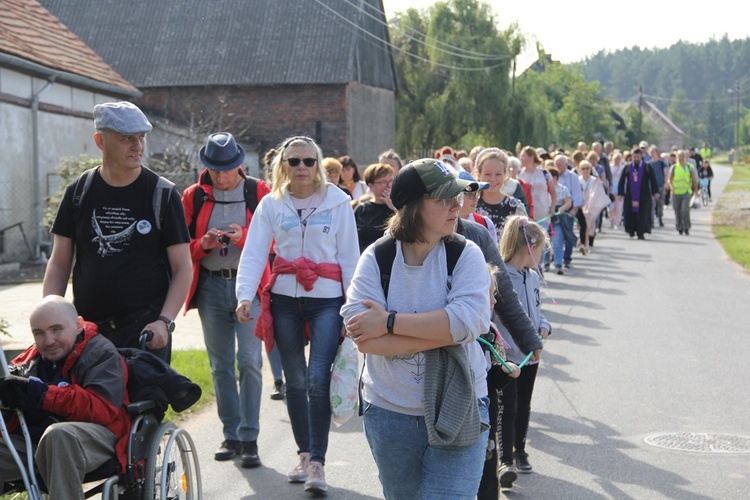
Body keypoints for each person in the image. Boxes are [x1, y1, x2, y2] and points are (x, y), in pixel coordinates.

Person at [341, 158, 491, 500]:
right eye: (443, 199)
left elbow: (468, 323)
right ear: (410, 207)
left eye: (456, 196)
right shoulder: (376, 258)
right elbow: (363, 339)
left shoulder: (466, 254)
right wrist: (440, 332)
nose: (456, 205)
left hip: (460, 406)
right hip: (390, 414)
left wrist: (389, 322)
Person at [235, 136, 359, 494]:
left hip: (327, 299)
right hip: (285, 298)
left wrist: (352, 305)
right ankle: (303, 455)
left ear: (318, 163)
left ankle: (318, 463)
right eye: (294, 162)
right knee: (295, 381)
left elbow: (351, 257)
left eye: (308, 161)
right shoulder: (271, 204)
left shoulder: (338, 202)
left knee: (319, 379)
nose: (302, 168)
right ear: (282, 166)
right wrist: (245, 296)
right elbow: (255, 253)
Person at [43, 101, 192, 363]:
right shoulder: (78, 192)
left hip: (145, 332)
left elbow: (183, 268)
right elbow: (59, 262)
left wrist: (164, 322)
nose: (138, 146)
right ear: (100, 141)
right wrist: (50, 318)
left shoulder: (162, 194)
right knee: (87, 404)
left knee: (143, 405)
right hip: (88, 333)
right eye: (127, 139)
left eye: (141, 137)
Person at [181, 132, 270, 467]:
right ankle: (230, 434)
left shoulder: (258, 191)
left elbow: (276, 238)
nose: (221, 176)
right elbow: (177, 248)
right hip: (210, 286)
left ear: (240, 164)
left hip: (249, 289)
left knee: (249, 361)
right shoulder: (193, 196)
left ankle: (249, 438)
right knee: (220, 366)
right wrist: (202, 245)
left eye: (228, 169)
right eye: (215, 169)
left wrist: (244, 237)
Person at [0, 296, 131, 500]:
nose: (49, 340)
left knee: (58, 435)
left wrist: (42, 394)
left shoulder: (101, 353)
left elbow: (102, 409)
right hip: (37, 443)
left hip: (98, 437)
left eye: (56, 329)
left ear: (79, 325)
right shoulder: (26, 363)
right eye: (39, 333)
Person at [495, 216, 551, 489]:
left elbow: (538, 311)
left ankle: (520, 448)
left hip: (530, 357)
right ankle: (504, 460)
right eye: (538, 252)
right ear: (527, 248)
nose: (539, 258)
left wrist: (543, 326)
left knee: (524, 404)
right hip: (507, 356)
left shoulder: (533, 277)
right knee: (508, 406)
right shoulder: (501, 276)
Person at [475, 148, 527, 242]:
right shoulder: (470, 205)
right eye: (487, 174)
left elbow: (524, 243)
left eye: (498, 174)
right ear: (479, 175)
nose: (493, 179)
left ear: (505, 175)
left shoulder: (515, 208)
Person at [618, 148, 660, 240]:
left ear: (641, 157)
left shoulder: (647, 167)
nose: (636, 159)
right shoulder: (628, 167)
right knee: (630, 213)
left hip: (643, 194)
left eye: (638, 157)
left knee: (643, 214)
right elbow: (621, 181)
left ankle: (641, 232)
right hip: (630, 194)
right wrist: (620, 193)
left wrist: (655, 192)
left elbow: (653, 180)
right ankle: (631, 230)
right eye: (634, 157)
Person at [354, 163, 396, 253]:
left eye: (391, 181)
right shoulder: (362, 209)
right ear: (370, 186)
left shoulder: (401, 207)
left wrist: (394, 208)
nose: (389, 186)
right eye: (383, 182)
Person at [554, 155, 582, 268]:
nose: (557, 167)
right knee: (556, 235)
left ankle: (567, 258)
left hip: (568, 209)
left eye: (559, 165)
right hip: (556, 209)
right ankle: (557, 258)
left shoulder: (572, 176)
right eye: (556, 164)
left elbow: (577, 194)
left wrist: (574, 209)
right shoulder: (552, 176)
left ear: (565, 165)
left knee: (568, 233)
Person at [456, 171, 497, 244]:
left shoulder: (485, 223)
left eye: (477, 193)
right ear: (456, 195)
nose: (476, 199)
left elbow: (492, 254)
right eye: (470, 194)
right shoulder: (442, 223)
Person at [667, 150, 699, 235]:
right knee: (677, 211)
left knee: (685, 210)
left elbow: (694, 180)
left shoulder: (689, 167)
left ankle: (686, 227)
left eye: (682, 156)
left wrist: (696, 191)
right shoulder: (674, 167)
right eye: (679, 156)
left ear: (685, 157)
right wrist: (671, 187)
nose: (681, 158)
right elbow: (669, 180)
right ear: (677, 158)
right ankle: (679, 227)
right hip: (676, 193)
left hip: (686, 192)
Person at [547, 168, 572, 275]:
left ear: (555, 177)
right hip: (545, 215)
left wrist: (561, 209)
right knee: (544, 241)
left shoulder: (563, 188)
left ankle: (558, 264)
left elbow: (568, 202)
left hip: (557, 217)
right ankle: (545, 262)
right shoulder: (544, 189)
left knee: (557, 241)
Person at [649, 146, 669, 227]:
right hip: (651, 187)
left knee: (660, 203)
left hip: (660, 185)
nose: (653, 153)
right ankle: (651, 221)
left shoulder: (661, 163)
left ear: (657, 152)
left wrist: (666, 183)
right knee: (652, 204)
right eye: (651, 152)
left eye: (654, 151)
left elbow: (666, 173)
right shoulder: (648, 164)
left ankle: (660, 218)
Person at [609, 151, 626, 229]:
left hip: (620, 188)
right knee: (611, 206)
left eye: (618, 159)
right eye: (616, 159)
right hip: (612, 188)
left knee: (619, 207)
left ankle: (617, 222)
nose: (617, 161)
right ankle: (612, 219)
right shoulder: (610, 167)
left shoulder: (623, 168)